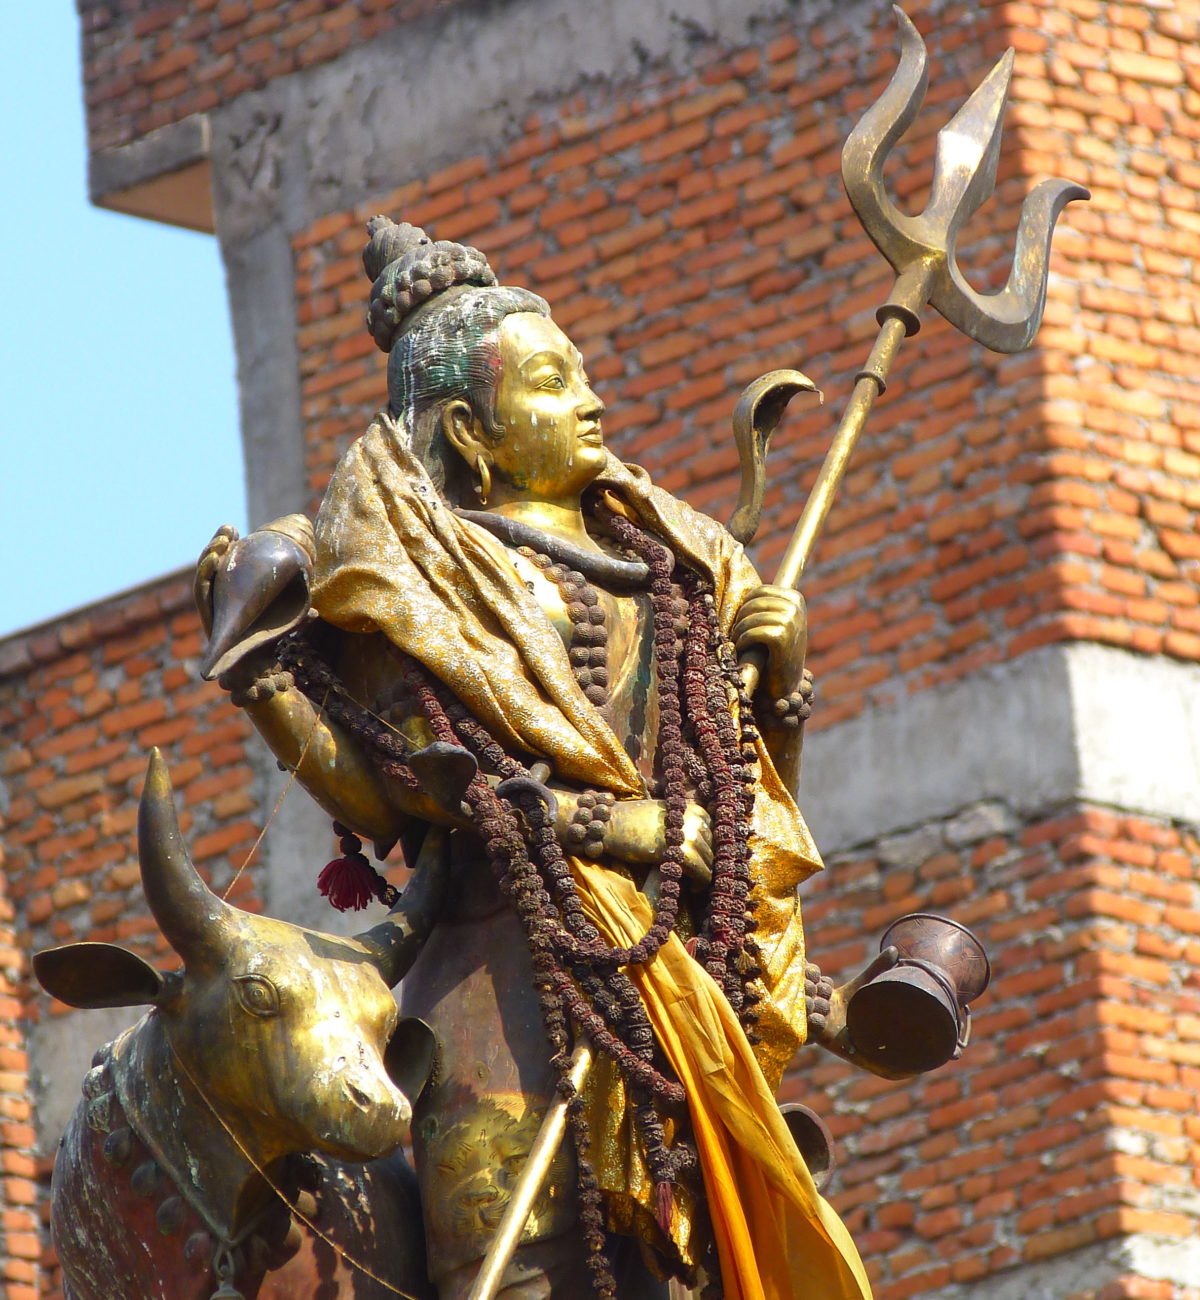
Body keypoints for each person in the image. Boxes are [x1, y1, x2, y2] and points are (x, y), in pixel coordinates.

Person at [196, 218, 871, 1300]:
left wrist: (779, 683)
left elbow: (743, 801)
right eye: (555, 383)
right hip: (497, 972)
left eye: (585, 376)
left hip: (668, 973)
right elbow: (395, 789)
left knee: (680, 1270)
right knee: (515, 1265)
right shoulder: (414, 585)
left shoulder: (678, 572)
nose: (593, 403)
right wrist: (264, 676)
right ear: (472, 431)